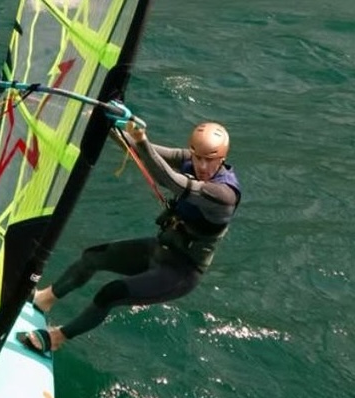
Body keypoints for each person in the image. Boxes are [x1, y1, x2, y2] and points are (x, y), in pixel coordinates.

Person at [18, 116, 241, 355]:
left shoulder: (223, 194)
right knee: (92, 257)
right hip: (161, 249)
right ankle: (44, 299)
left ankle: (57, 338)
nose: (202, 166)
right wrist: (107, 123)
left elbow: (169, 179)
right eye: (198, 158)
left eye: (210, 160)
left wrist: (142, 140)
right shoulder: (189, 159)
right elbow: (139, 149)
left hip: (181, 271)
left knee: (110, 293)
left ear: (222, 159)